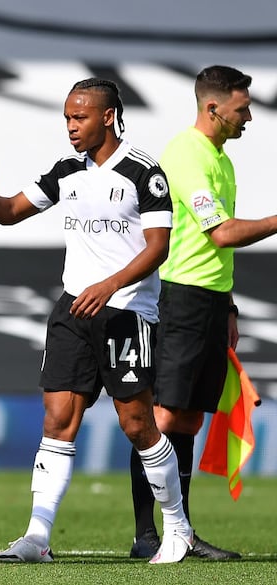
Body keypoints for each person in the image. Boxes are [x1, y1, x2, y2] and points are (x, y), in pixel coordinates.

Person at [0, 78, 193, 564]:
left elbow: (160, 246)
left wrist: (108, 285)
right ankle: (37, 537)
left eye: (80, 117)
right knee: (57, 419)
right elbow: (8, 212)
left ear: (107, 116)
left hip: (127, 310)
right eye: (68, 118)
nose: (71, 127)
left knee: (137, 425)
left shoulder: (143, 172)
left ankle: (177, 528)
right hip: (75, 308)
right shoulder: (66, 170)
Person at [128, 65, 275, 560]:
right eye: (242, 109)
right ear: (213, 108)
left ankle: (181, 532)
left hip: (210, 300)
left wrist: (228, 305)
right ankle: (147, 534)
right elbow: (222, 233)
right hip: (181, 297)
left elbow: (219, 245)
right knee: (163, 416)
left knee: (188, 420)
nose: (249, 117)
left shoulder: (221, 158)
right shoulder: (187, 154)